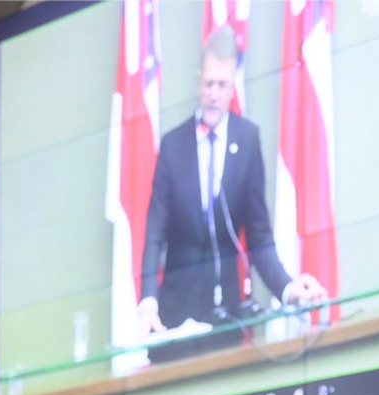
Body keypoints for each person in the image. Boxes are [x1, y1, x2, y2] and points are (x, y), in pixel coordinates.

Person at [138, 24, 326, 338]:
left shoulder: (247, 140)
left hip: (227, 313)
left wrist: (287, 288)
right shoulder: (173, 146)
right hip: (175, 314)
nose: (214, 94)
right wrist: (147, 302)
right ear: (198, 81)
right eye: (209, 84)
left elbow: (259, 237)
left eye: (222, 85)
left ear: (232, 87)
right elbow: (154, 233)